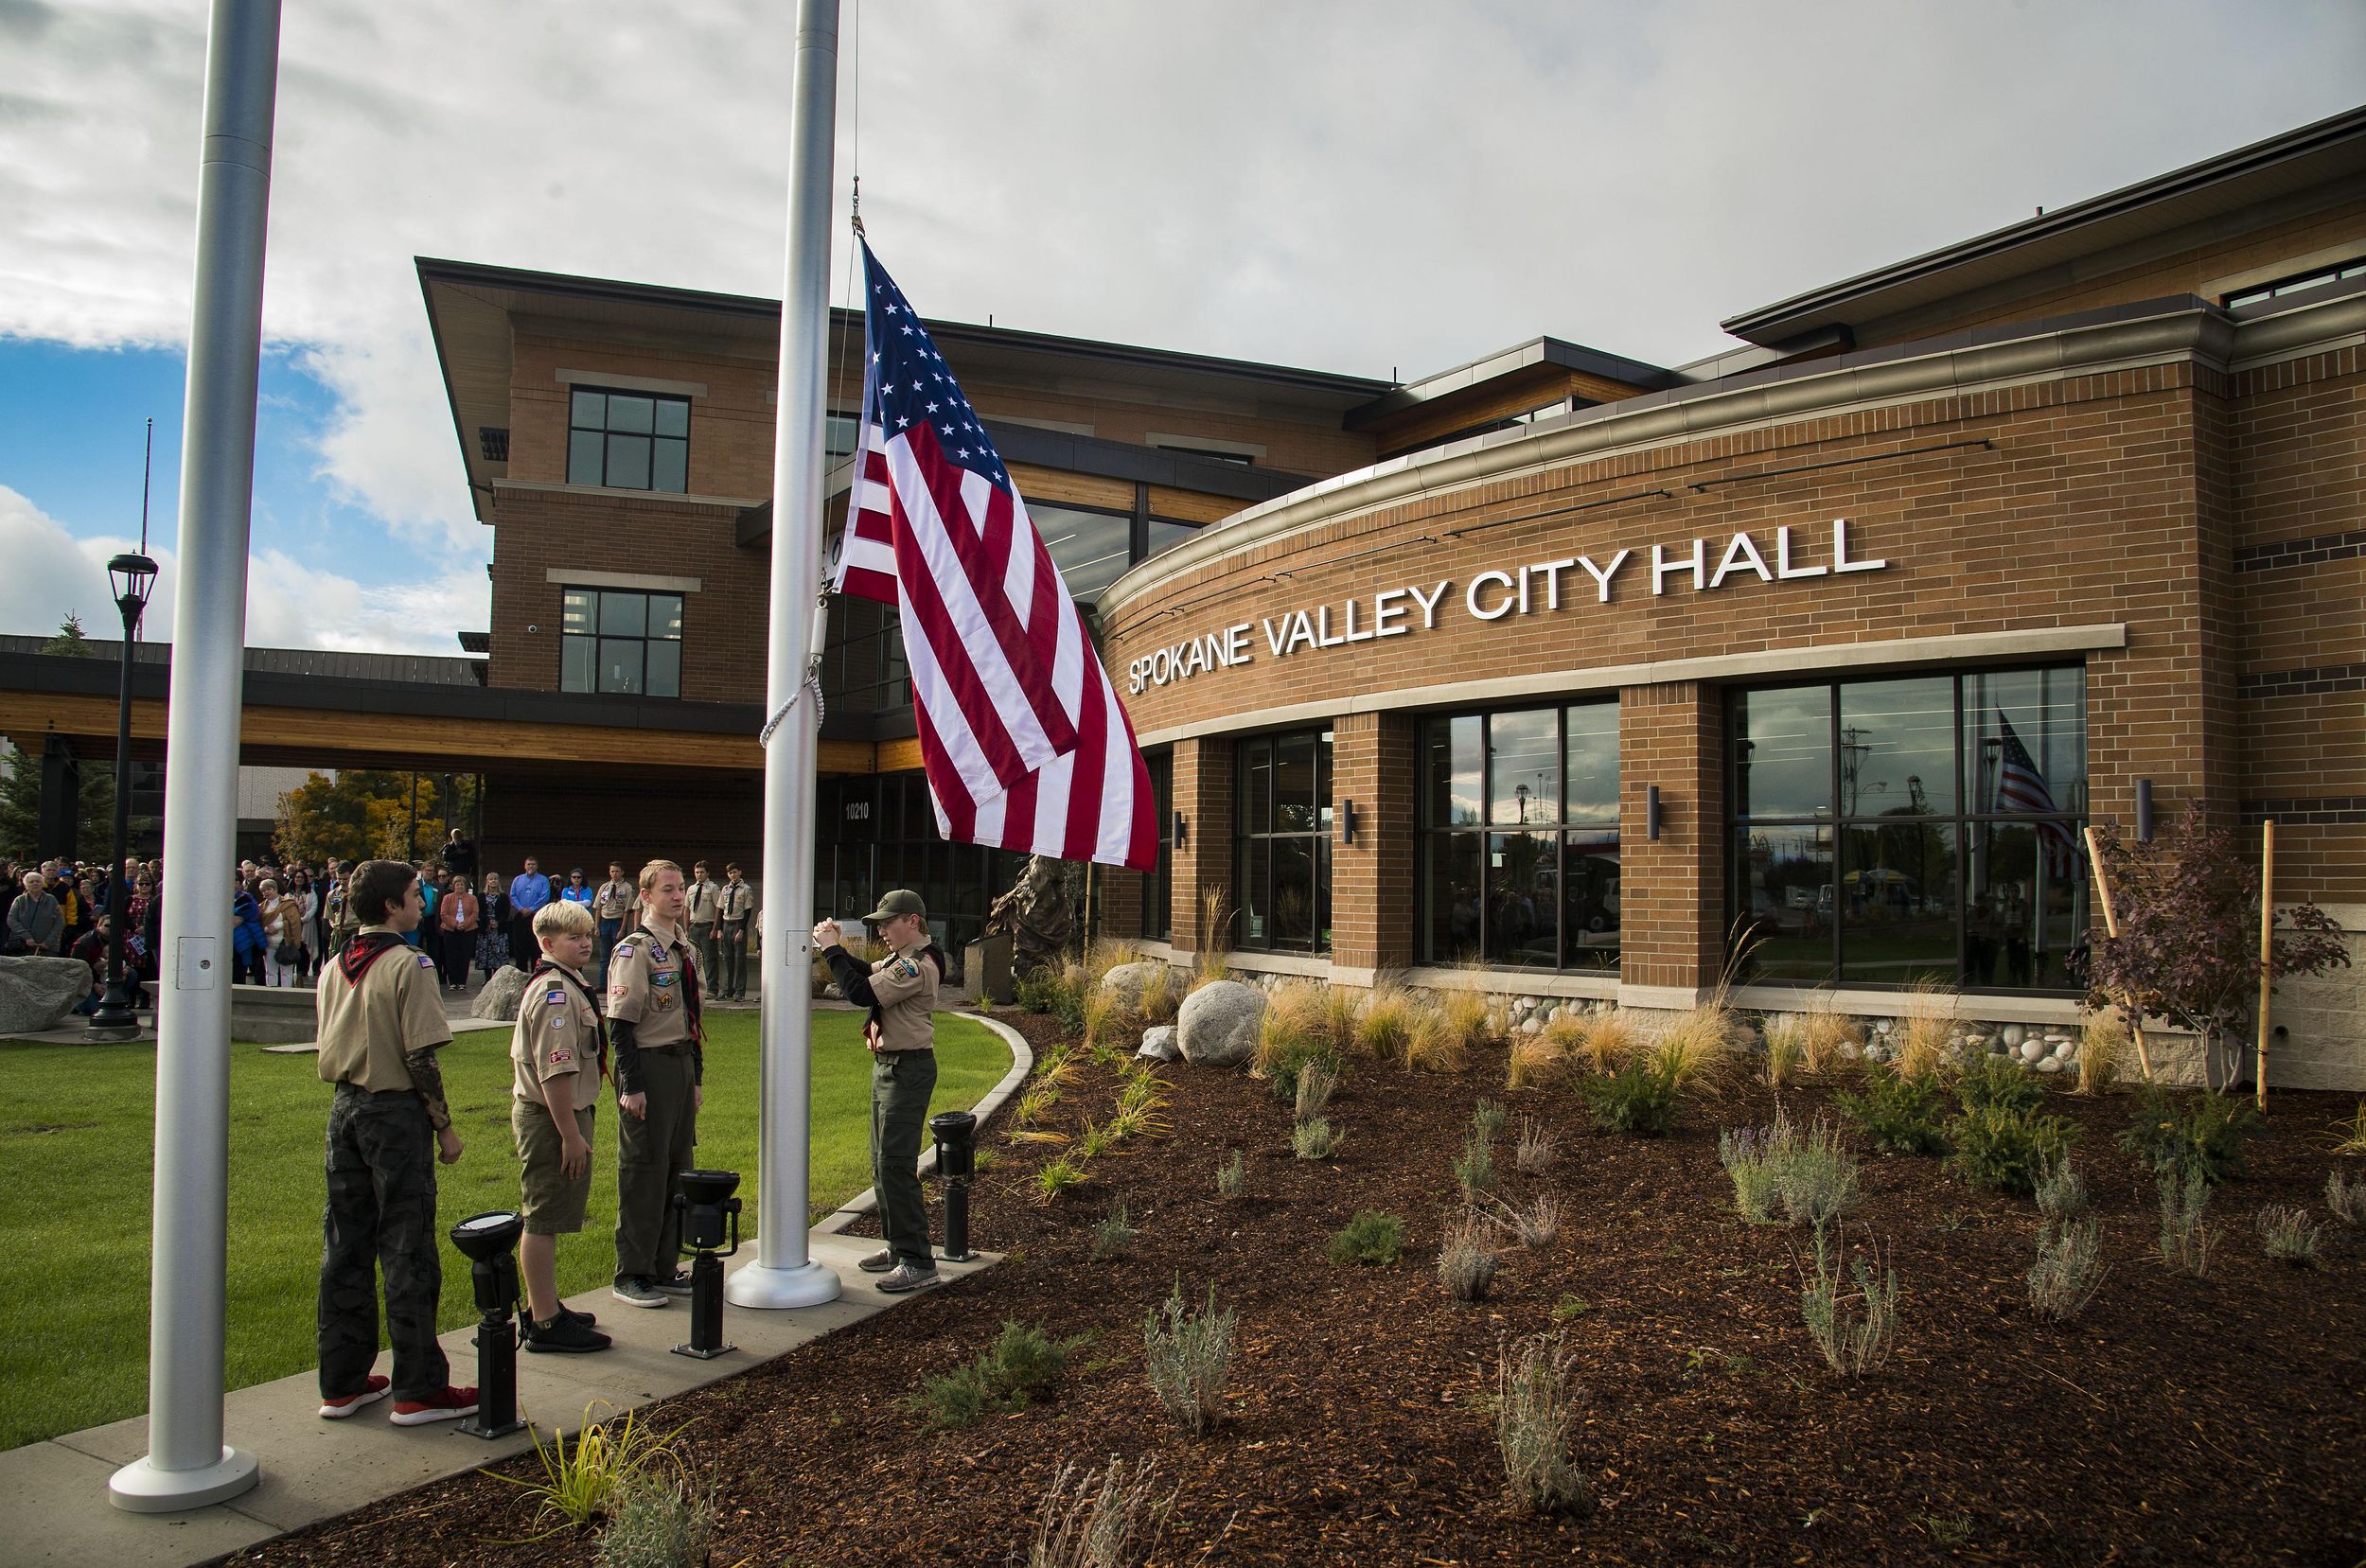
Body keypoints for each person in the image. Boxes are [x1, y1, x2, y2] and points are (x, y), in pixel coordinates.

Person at [311, 859, 479, 1426]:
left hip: (344, 1110)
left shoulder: (335, 965)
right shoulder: (410, 965)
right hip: (394, 1113)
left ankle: (343, 1380)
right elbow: (419, 1056)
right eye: (414, 895)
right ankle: (419, 1386)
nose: (422, 903)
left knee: (344, 1243)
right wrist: (445, 1126)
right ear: (391, 906)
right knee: (407, 1246)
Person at [813, 889, 946, 1295]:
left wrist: (832, 950)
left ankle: (917, 1259)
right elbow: (862, 970)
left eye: (889, 922)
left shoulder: (917, 965)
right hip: (888, 1067)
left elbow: (861, 993)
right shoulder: (899, 960)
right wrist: (833, 948)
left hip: (908, 1070)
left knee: (895, 1164)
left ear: (913, 921)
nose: (883, 930)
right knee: (879, 1161)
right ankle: (898, 1246)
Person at [509, 900, 612, 1353]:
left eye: (588, 935)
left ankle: (545, 1305)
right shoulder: (556, 994)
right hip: (554, 1118)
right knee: (543, 1217)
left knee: (550, 1214)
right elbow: (556, 1073)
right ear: (547, 943)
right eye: (574, 938)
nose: (585, 943)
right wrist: (570, 1135)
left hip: (562, 1115)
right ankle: (545, 1323)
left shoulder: (568, 985)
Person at [606, 859, 704, 1309]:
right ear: (645, 896)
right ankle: (633, 1271)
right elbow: (621, 1026)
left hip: (680, 1064)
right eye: (667, 889)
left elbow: (691, 1018)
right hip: (649, 1066)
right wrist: (632, 1084)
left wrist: (696, 1078)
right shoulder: (635, 951)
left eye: (681, 887)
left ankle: (665, 1265)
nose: (678, 896)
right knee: (644, 1170)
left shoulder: (683, 948)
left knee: (677, 1167)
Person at [715, 864, 755, 1001]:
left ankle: (739, 991)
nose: (732, 875)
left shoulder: (746, 889)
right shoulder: (725, 889)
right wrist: (719, 929)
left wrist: (742, 930)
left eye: (734, 872)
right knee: (727, 959)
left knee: (739, 959)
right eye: (730, 873)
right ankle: (727, 989)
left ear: (740, 872)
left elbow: (747, 911)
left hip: (738, 924)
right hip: (726, 924)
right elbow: (720, 909)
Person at [437, 872, 480, 990]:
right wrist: (456, 924)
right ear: (453, 886)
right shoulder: (447, 898)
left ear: (465, 886)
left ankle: (462, 982)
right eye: (457, 884)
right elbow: (443, 914)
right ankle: (452, 982)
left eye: (461, 884)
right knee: (451, 956)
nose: (459, 887)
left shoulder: (472, 898)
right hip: (450, 930)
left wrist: (464, 924)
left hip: (468, 930)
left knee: (464, 956)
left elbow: (475, 913)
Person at [684, 861, 723, 991]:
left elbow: (719, 908)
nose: (699, 875)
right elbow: (686, 909)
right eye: (697, 872)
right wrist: (686, 928)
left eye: (701, 872)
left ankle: (712, 988)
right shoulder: (691, 889)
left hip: (707, 926)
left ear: (707, 873)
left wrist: (715, 928)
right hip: (694, 926)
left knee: (709, 958)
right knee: (694, 958)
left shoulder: (713, 888)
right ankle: (695, 986)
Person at [508, 857, 552, 972]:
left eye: (533, 864)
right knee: (520, 946)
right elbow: (513, 896)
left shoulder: (543, 880)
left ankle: (535, 973)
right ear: (525, 866)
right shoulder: (517, 880)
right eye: (528, 864)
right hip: (521, 916)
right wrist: (521, 908)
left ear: (537, 866)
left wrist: (531, 909)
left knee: (535, 947)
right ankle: (521, 972)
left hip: (536, 916)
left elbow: (545, 897)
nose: (530, 867)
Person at [5, 871, 62, 956]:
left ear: (42, 883)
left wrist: (49, 941)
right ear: (26, 885)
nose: (35, 884)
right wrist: (26, 936)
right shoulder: (20, 900)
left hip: (48, 947)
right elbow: (11, 920)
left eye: (38, 881)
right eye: (31, 882)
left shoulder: (51, 900)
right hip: (23, 946)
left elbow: (59, 922)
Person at [259, 876, 302, 985]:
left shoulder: (288, 904)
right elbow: (258, 924)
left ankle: (287, 996)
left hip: (285, 943)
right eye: (263, 891)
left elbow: (295, 922)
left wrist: (279, 926)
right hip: (269, 944)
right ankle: (271, 996)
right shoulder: (261, 907)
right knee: (270, 972)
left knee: (286, 973)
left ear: (275, 889)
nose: (266, 892)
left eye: (268, 889)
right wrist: (266, 929)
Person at [592, 862, 634, 968]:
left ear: (622, 872)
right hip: (604, 922)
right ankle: (603, 984)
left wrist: (622, 929)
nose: (614, 874)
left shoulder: (627, 888)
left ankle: (616, 982)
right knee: (604, 957)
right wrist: (596, 926)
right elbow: (598, 907)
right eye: (612, 871)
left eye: (617, 871)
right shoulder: (604, 887)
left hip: (618, 922)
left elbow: (627, 911)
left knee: (618, 955)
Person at [69, 914, 112, 1013]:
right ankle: (78, 1004)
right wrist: (94, 984)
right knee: (97, 1010)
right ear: (99, 926)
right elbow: (77, 969)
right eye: (107, 925)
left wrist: (126, 968)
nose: (111, 929)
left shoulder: (118, 940)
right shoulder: (85, 942)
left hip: (106, 978)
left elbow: (125, 960)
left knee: (131, 973)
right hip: (86, 981)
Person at [476, 871, 512, 978]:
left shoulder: (504, 896)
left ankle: (497, 979)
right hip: (485, 929)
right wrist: (488, 921)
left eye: (495, 879)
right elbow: (479, 911)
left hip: (499, 929)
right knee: (486, 954)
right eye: (491, 879)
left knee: (498, 954)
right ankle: (487, 979)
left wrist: (498, 922)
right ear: (487, 881)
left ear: (498, 881)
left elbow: (506, 912)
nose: (493, 881)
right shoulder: (481, 896)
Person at [231, 882, 268, 984]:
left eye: (235, 881)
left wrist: (240, 918)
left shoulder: (245, 897)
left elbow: (254, 913)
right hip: (231, 941)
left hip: (247, 939)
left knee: (248, 968)